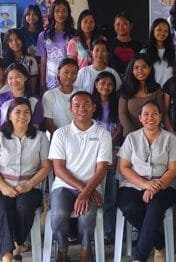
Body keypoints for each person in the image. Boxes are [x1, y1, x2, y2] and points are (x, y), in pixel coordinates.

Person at [48, 91, 112, 262]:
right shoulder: (61, 133)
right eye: (77, 105)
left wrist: (87, 191)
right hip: (64, 186)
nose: (82, 109)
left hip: (92, 185)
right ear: (70, 109)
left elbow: (101, 169)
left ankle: (86, 251)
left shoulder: (103, 134)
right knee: (58, 214)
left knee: (87, 215)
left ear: (94, 108)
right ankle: (62, 250)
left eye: (86, 105)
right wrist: (85, 191)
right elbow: (58, 169)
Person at [117, 101, 176, 262]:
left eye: (154, 114)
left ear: (160, 116)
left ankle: (139, 257)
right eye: (145, 114)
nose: (150, 118)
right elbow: (123, 167)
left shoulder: (169, 138)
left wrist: (155, 187)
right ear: (140, 117)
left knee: (155, 207)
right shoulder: (132, 138)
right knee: (130, 208)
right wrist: (145, 184)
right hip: (133, 184)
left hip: (164, 186)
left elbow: (174, 169)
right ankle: (158, 243)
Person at [0, 97, 50, 262]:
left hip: (30, 187)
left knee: (24, 205)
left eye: (26, 112)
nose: (22, 116)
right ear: (9, 115)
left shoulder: (41, 137)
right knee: (3, 207)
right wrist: (3, 187)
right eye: (17, 112)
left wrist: (29, 184)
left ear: (31, 116)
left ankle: (17, 245)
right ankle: (8, 256)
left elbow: (46, 167)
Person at [92, 71, 122, 243]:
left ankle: (108, 231)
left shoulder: (117, 104)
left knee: (110, 192)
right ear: (96, 85)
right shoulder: (90, 103)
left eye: (110, 84)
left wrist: (108, 142)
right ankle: (92, 231)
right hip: (92, 151)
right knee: (94, 191)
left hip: (111, 150)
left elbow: (120, 127)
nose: (106, 87)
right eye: (102, 83)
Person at [119, 53, 166, 136]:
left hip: (152, 134)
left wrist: (150, 132)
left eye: (144, 67)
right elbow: (122, 114)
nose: (140, 70)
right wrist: (133, 134)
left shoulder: (156, 89)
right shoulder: (126, 89)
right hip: (130, 135)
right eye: (136, 68)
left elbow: (161, 112)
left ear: (150, 69)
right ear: (131, 70)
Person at [0, 63, 44, 133]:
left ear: (25, 78)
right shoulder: (1, 98)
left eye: (18, 77)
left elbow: (35, 126)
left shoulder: (35, 100)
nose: (14, 81)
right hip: (4, 137)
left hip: (27, 137)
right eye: (10, 78)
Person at [37, 0, 75, 92]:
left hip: (69, 78)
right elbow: (43, 62)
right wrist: (42, 82)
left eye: (64, 11)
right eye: (57, 11)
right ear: (52, 13)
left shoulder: (74, 35)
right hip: (50, 80)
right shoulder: (43, 35)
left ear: (68, 13)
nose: (60, 14)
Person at [43, 58, 80, 134]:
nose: (69, 76)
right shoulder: (49, 95)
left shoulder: (81, 93)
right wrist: (61, 138)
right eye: (66, 72)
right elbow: (49, 124)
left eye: (74, 73)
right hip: (58, 137)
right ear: (59, 72)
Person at [2, 28, 39, 95]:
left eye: (17, 39)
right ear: (7, 43)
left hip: (25, 96)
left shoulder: (31, 60)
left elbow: (32, 86)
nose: (15, 42)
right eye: (10, 40)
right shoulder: (3, 61)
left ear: (22, 40)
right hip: (7, 96)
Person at [108, 12, 143, 79]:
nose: (121, 27)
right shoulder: (108, 45)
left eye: (125, 24)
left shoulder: (138, 46)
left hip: (133, 80)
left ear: (131, 25)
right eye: (118, 24)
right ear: (114, 26)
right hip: (112, 80)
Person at [142, 18, 175, 87]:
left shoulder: (174, 52)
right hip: (151, 90)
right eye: (159, 30)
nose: (162, 33)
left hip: (170, 91)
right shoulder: (144, 52)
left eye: (166, 31)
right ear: (153, 30)